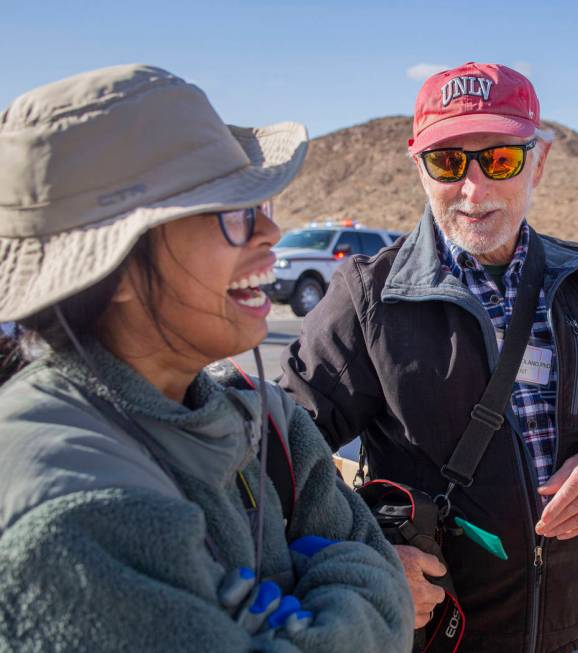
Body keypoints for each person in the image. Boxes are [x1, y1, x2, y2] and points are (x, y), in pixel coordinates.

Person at [0, 64, 414, 652]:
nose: (271, 232)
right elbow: (371, 577)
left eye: (261, 204)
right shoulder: (72, 509)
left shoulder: (271, 427)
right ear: (112, 269)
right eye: (234, 210)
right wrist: (356, 584)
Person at [280, 62, 578, 653]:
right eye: (449, 162)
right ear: (418, 169)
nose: (474, 189)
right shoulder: (370, 297)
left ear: (539, 163)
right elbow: (281, 457)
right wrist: (365, 553)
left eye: (500, 160)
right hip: (445, 636)